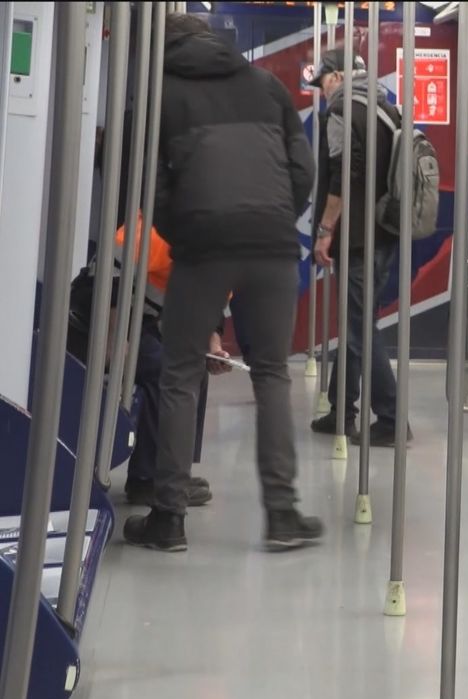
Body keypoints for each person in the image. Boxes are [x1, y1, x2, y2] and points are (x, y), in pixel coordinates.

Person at [123, 13, 320, 553]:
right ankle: (282, 514)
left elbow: (147, 183)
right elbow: (302, 170)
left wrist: (183, 230)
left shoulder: (159, 94)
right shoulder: (266, 84)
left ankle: (169, 518)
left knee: (181, 374)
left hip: (203, 246)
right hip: (274, 244)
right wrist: (279, 215)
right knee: (272, 373)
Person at [68, 216, 234, 507]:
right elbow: (109, 280)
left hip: (140, 324)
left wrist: (214, 349)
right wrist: (116, 341)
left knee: (195, 367)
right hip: (96, 321)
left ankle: (174, 470)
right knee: (166, 370)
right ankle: (149, 478)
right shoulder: (156, 227)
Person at [305, 48, 411, 447]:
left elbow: (342, 174)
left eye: (323, 82)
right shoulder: (386, 107)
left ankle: (390, 417)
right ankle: (341, 411)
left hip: (357, 237)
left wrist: (326, 229)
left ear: (337, 75)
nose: (322, 91)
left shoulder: (341, 111)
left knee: (358, 328)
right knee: (357, 322)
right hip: (385, 233)